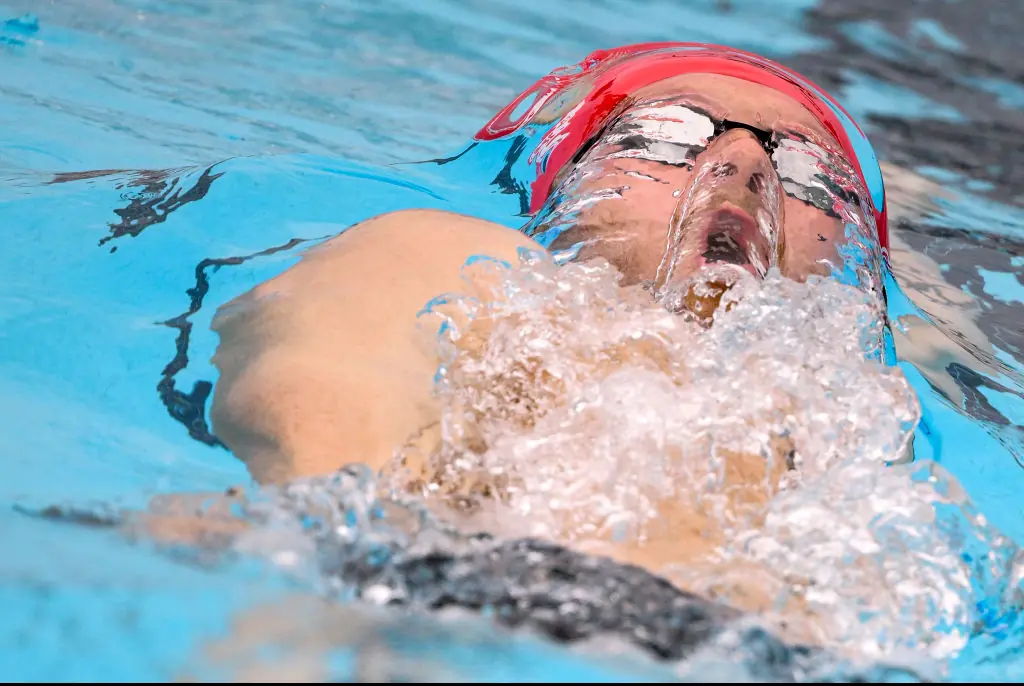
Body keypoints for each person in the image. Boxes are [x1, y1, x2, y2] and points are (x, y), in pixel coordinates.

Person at [205, 43, 890, 582]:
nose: (741, 167)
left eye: (813, 180)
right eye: (665, 136)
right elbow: (310, 465)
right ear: (560, 185)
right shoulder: (458, 261)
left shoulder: (853, 416)